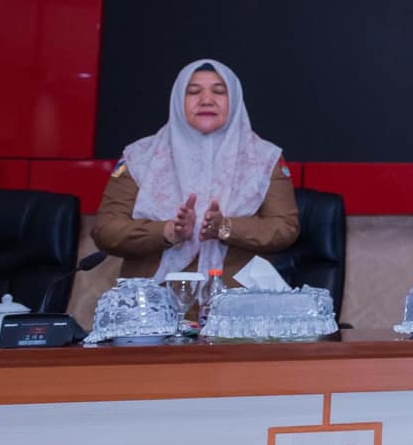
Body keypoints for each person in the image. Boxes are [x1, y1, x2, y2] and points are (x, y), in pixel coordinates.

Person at [91, 60, 299, 284]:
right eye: (193, 92)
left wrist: (226, 227)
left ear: (235, 100)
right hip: (154, 295)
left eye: (219, 91)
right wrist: (168, 231)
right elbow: (106, 231)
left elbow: (285, 228)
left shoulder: (265, 158)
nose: (206, 100)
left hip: (237, 296)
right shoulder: (139, 156)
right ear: (178, 100)